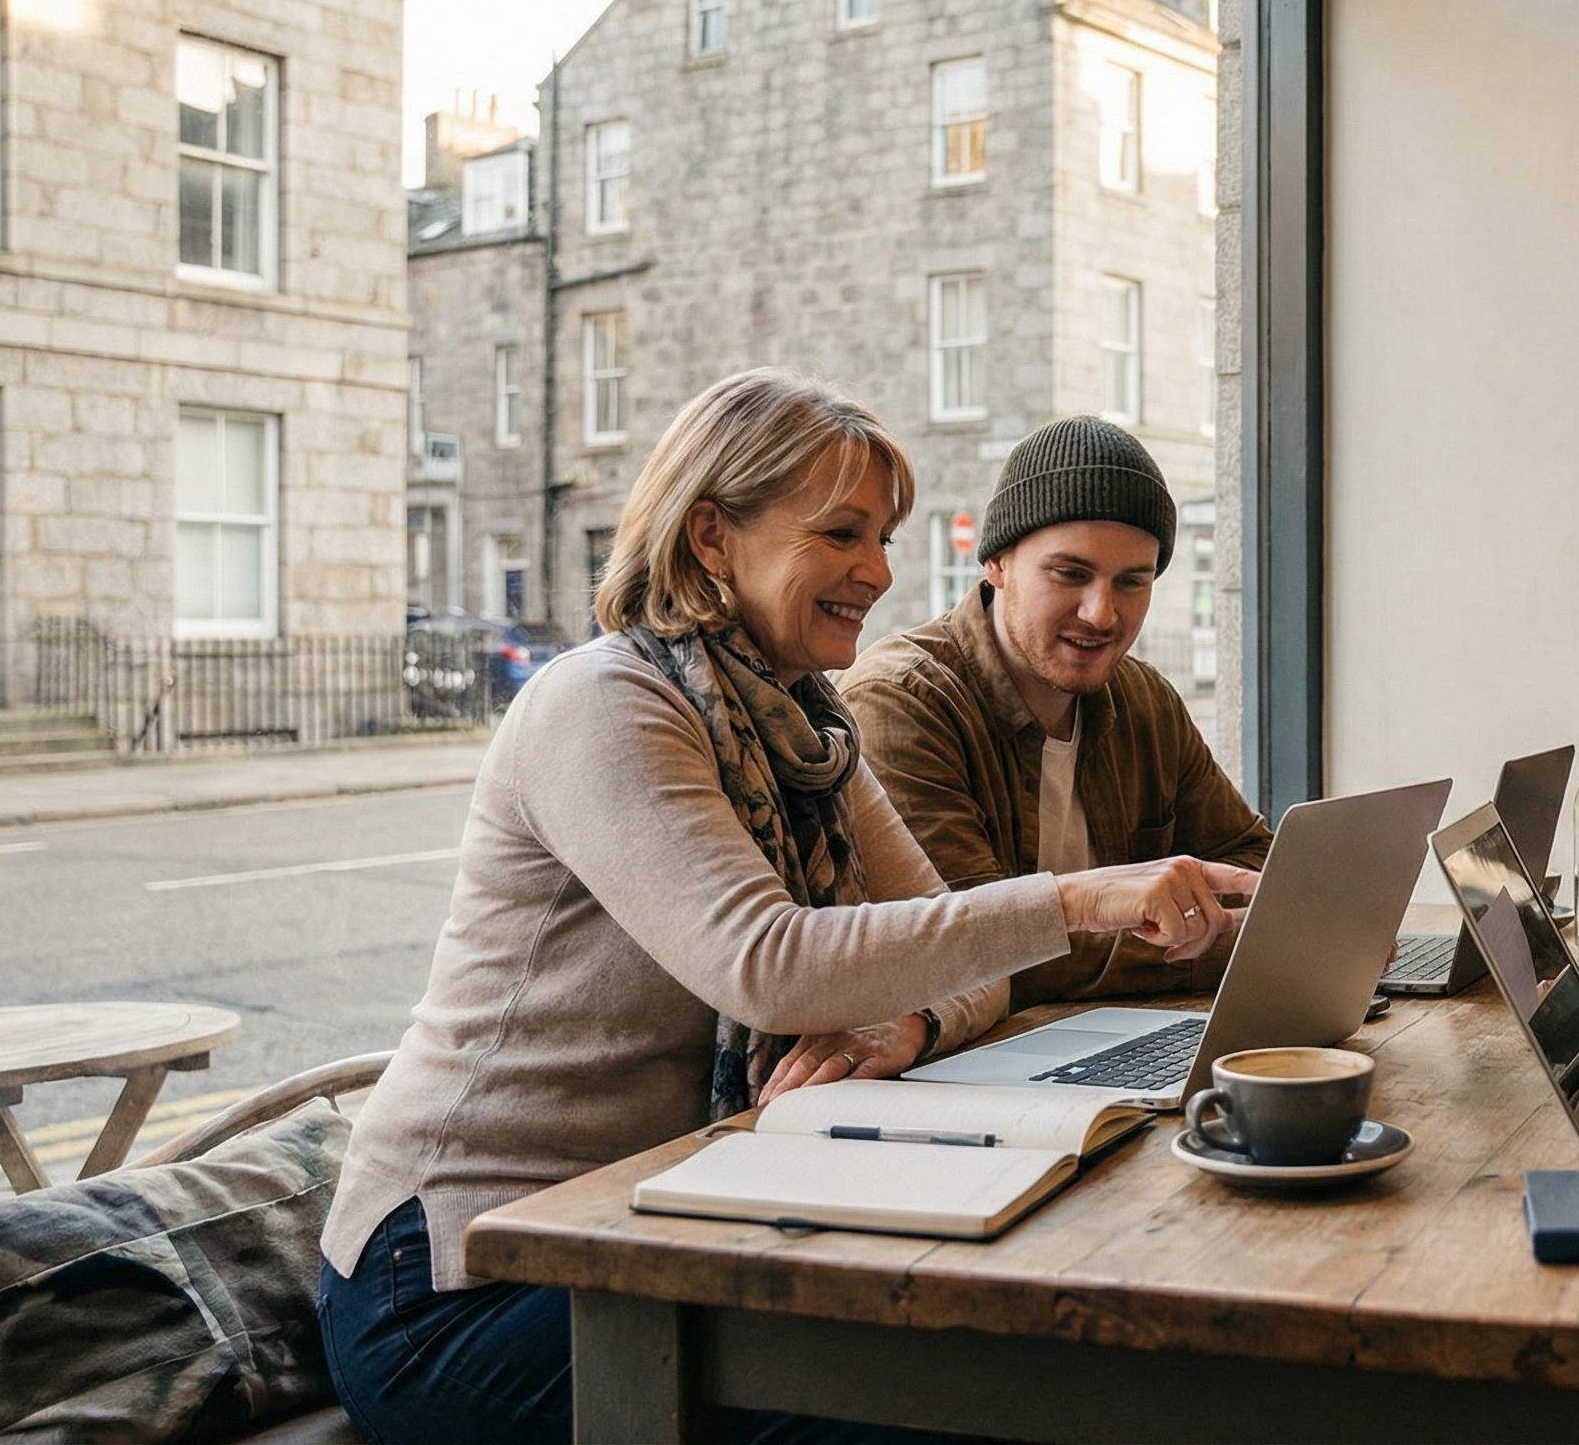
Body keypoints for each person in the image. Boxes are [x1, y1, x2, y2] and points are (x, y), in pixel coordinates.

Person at [313, 371, 1257, 1443]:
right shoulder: (605, 702)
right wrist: (1079, 901)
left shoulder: (805, 732)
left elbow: (972, 966)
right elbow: (766, 964)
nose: (879, 571)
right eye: (844, 534)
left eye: (886, 537)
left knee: (1009, 1371)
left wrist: (905, 1022)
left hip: (666, 1208)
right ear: (714, 535)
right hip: (460, 1275)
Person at [841, 416, 1270, 1011]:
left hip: (1108, 1042)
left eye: (1132, 581)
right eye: (1070, 574)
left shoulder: (1146, 700)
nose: (1101, 613)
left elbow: (1250, 865)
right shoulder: (901, 702)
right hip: (967, 1074)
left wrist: (1289, 921)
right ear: (996, 562)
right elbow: (979, 950)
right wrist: (1248, 944)